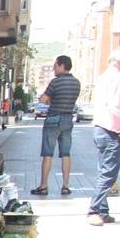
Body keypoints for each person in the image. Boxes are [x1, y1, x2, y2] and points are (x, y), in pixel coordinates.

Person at [88, 49, 120, 227]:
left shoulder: (105, 76)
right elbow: (115, 106)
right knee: (109, 173)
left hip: (101, 127)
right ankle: (95, 210)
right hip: (111, 128)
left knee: (103, 170)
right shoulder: (117, 77)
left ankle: (102, 211)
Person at [31, 55, 81, 196]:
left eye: (55, 65)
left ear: (62, 65)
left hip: (53, 119)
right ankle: (65, 186)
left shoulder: (55, 82)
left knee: (48, 153)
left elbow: (43, 99)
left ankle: (43, 186)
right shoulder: (77, 83)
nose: (54, 68)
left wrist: (51, 100)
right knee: (66, 153)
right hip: (68, 119)